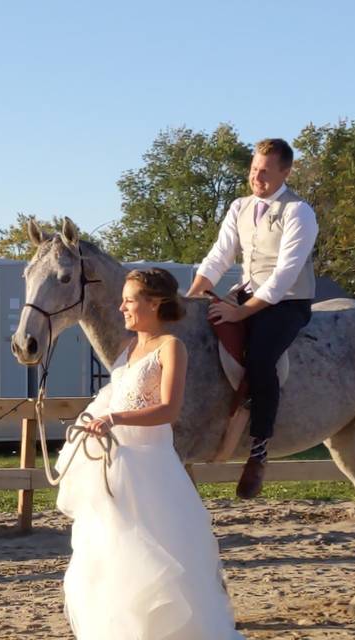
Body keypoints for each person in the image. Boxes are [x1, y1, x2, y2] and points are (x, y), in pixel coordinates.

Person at [56, 268, 242, 640]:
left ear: (154, 303)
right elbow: (114, 395)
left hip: (153, 468)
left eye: (129, 299)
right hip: (119, 467)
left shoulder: (171, 347)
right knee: (114, 557)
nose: (122, 306)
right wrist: (91, 421)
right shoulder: (127, 348)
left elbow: (169, 410)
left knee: (160, 560)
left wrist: (115, 418)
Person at [186, 138, 318, 499]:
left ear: (285, 172)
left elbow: (285, 275)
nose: (256, 177)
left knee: (260, 359)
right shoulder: (240, 206)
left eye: (264, 171)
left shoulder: (298, 212)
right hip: (247, 290)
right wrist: (194, 294)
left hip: (288, 302)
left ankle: (258, 452)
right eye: (253, 169)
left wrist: (241, 311)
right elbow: (219, 254)